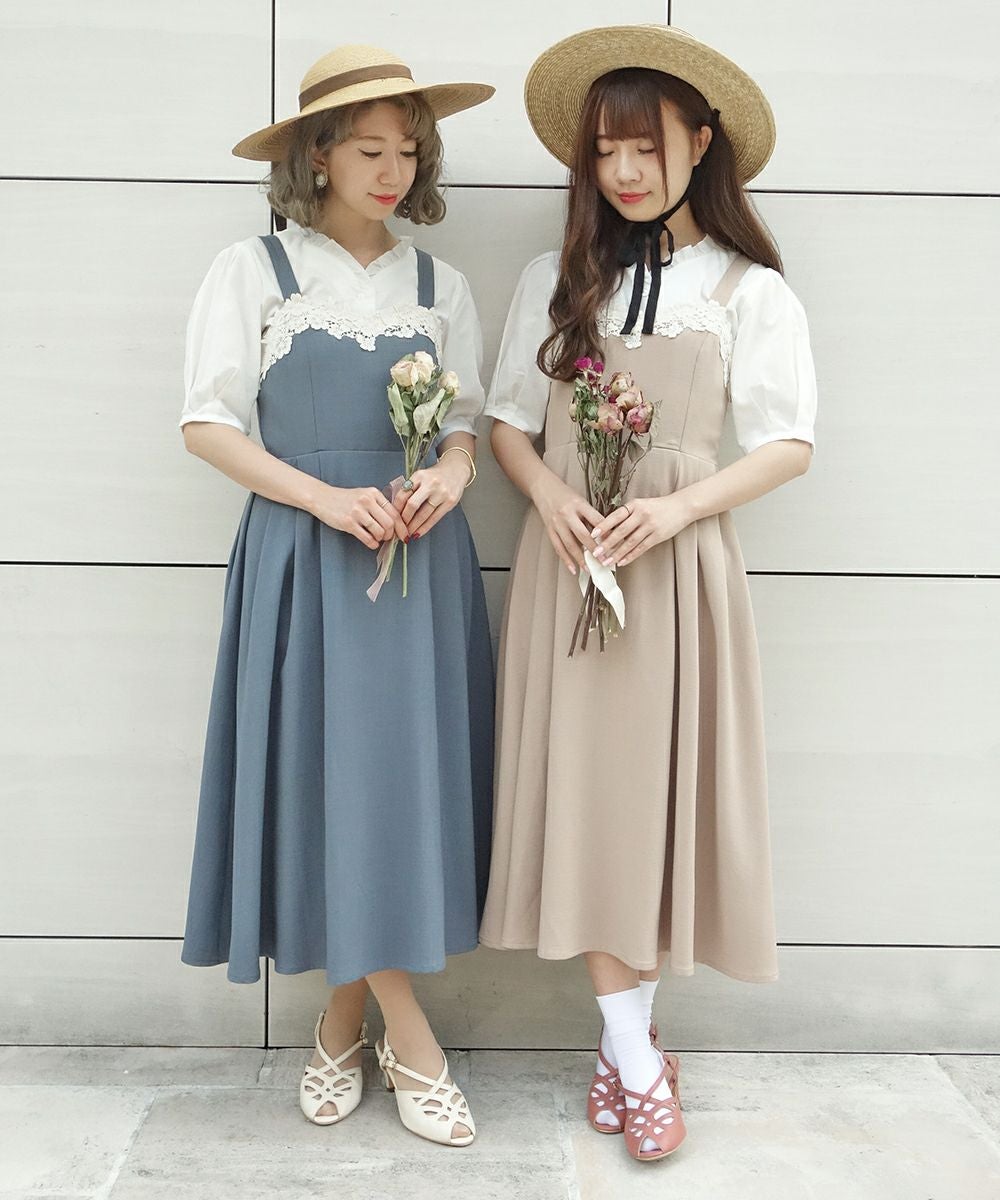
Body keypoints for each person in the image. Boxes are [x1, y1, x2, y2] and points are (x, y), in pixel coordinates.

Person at [479, 24, 817, 1162]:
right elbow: (507, 425)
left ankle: (626, 1048)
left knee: (653, 806)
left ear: (699, 143)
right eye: (604, 151)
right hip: (570, 565)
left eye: (644, 146)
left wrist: (677, 511)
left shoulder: (747, 289)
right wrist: (547, 497)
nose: (623, 171)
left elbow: (788, 443)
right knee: (587, 801)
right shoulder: (555, 280)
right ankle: (634, 1058)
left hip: (676, 570)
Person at [179, 44, 495, 1148]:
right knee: (323, 782)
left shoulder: (439, 286)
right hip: (302, 558)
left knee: (390, 792)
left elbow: (466, 427)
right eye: (369, 150)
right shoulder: (254, 270)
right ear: (317, 155)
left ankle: (339, 1024)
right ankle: (413, 1040)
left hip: (418, 565)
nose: (392, 170)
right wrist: (321, 497)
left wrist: (450, 476)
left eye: (408, 150)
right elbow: (206, 424)